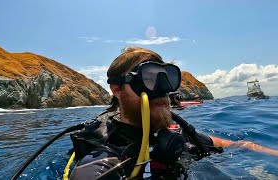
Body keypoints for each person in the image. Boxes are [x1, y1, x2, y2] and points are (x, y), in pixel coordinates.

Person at [68, 47, 278, 179]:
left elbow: (237, 145)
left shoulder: (173, 130)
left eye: (166, 78)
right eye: (148, 78)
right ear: (117, 89)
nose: (162, 90)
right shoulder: (104, 157)